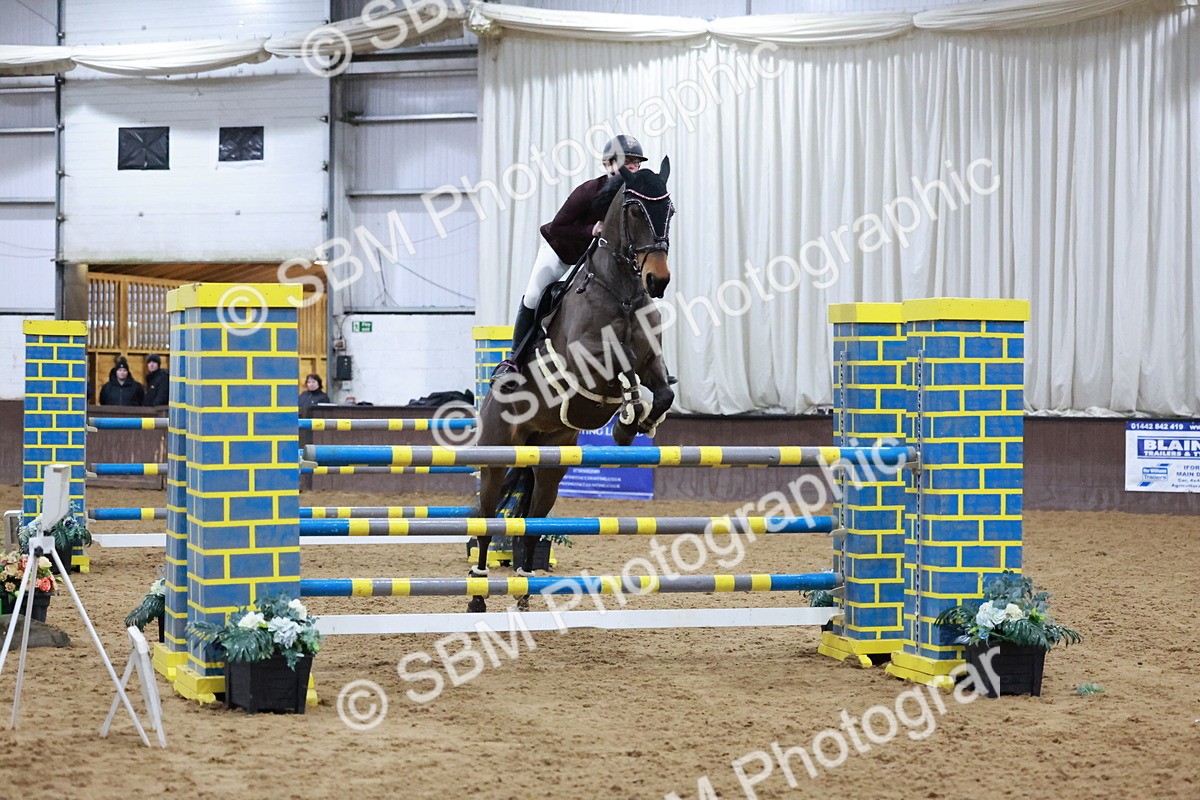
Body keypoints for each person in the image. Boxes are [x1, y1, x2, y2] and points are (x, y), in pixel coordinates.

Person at [490, 134, 648, 386]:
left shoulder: (634, 196)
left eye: (635, 163)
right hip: (560, 251)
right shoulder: (588, 191)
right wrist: (590, 229)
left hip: (593, 259)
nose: (632, 167)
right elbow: (557, 227)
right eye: (626, 161)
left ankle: (649, 363)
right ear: (608, 164)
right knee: (533, 296)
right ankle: (513, 362)